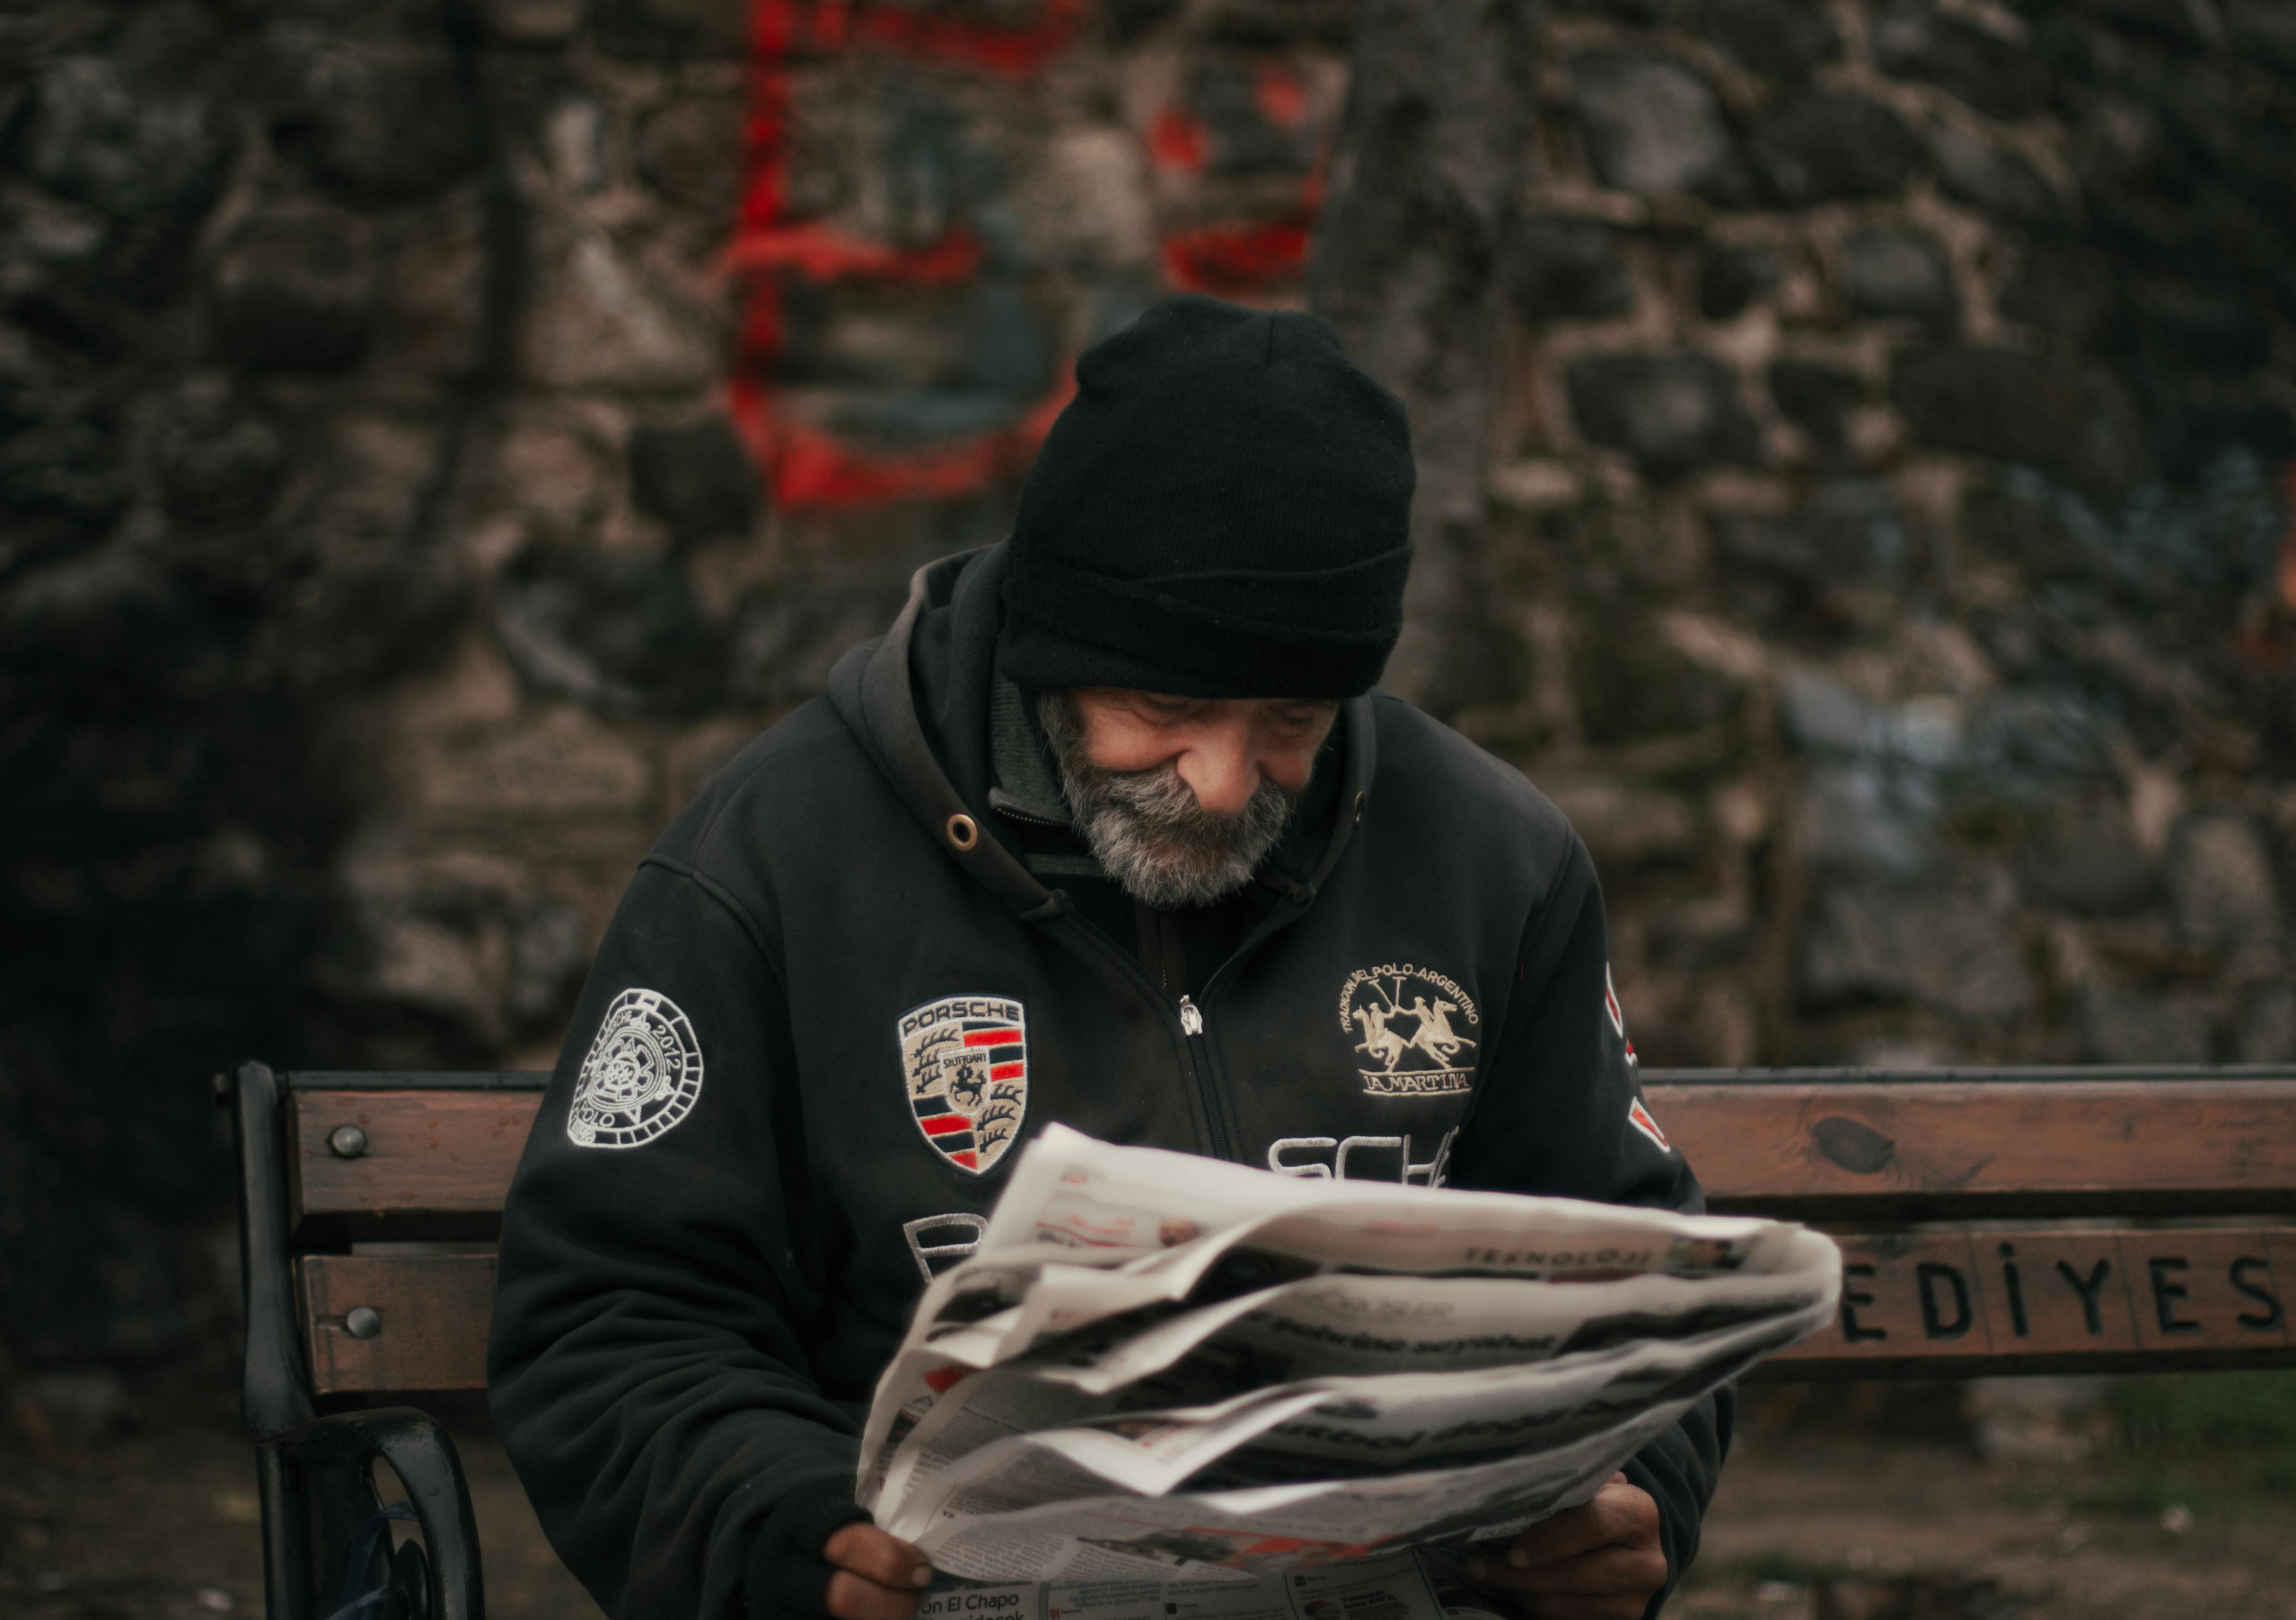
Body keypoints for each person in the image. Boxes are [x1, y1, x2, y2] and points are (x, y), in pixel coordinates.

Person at [488, 295, 1728, 1620]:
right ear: (1049, 647)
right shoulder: (778, 858)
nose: (1222, 780)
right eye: (1169, 706)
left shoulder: (1491, 856)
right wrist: (783, 1536)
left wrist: (1631, 1496)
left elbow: (1628, 1267)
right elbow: (615, 1315)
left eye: (1293, 719)